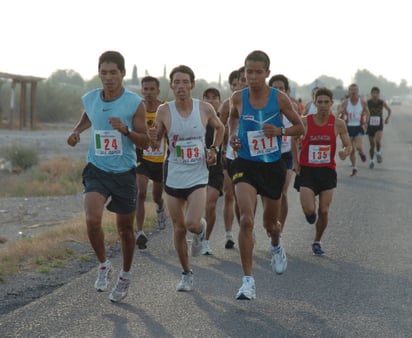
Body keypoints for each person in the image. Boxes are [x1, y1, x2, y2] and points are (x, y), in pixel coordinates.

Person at [67, 51, 150, 302]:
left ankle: (124, 275)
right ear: (99, 73)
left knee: (125, 229)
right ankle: (103, 265)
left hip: (124, 172)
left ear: (123, 73)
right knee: (92, 219)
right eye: (104, 73)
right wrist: (76, 131)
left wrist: (125, 130)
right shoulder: (90, 98)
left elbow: (145, 142)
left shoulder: (134, 103)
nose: (108, 78)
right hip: (97, 169)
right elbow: (89, 115)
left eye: (113, 72)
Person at [229, 50, 304, 300]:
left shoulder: (279, 99)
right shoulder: (238, 98)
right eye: (248, 71)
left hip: (272, 166)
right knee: (246, 220)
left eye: (258, 72)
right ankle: (248, 282)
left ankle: (275, 244)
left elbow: (299, 127)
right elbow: (232, 120)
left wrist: (280, 131)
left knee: (269, 224)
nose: (252, 76)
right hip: (246, 164)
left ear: (267, 73)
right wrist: (234, 137)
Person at [149, 65, 224, 292]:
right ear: (171, 86)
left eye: (185, 82)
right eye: (176, 83)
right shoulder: (164, 111)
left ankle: (201, 232)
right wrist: (153, 137)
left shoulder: (205, 108)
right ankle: (186, 273)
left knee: (192, 223)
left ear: (192, 84)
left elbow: (220, 128)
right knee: (179, 227)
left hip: (198, 173)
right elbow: (155, 142)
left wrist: (214, 149)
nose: (181, 86)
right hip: (173, 173)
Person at [293, 87, 351, 256]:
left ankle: (317, 241)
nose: (324, 105)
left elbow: (348, 144)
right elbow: (292, 139)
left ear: (332, 103)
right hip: (308, 171)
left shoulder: (338, 123)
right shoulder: (304, 121)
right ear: (314, 103)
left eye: (327, 102)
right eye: (320, 102)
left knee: (324, 210)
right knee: (310, 211)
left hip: (327, 170)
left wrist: (345, 151)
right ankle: (310, 214)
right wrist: (295, 162)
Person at [135, 76, 168, 250]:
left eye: (151, 89)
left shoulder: (165, 108)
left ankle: (161, 207)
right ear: (141, 91)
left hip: (160, 160)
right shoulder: (137, 108)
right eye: (145, 89)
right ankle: (140, 232)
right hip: (142, 158)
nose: (148, 93)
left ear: (158, 91)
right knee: (140, 193)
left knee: (156, 196)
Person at [268, 74, 298, 234]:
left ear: (287, 90)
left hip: (285, 155)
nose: (278, 91)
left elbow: (298, 129)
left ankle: (280, 229)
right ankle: (270, 223)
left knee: (283, 192)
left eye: (281, 88)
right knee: (270, 195)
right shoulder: (263, 106)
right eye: (275, 88)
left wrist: (282, 131)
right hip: (267, 155)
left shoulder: (291, 107)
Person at [218, 68, 244, 250]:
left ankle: (245, 226)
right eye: (234, 84)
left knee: (244, 198)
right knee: (230, 194)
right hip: (230, 155)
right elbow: (220, 129)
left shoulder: (256, 103)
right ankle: (228, 233)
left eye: (241, 82)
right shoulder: (227, 105)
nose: (238, 87)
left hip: (251, 156)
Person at [201, 87, 224, 255]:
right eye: (207, 98)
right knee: (196, 209)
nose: (210, 100)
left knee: (210, 205)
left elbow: (232, 144)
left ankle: (206, 241)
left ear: (219, 102)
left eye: (214, 97)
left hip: (216, 168)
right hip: (195, 168)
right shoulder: (197, 121)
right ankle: (199, 230)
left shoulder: (223, 123)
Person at [338, 83, 369, 176]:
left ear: (358, 91)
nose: (353, 92)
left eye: (355, 90)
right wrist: (341, 114)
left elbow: (368, 113)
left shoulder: (362, 102)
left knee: (359, 146)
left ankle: (362, 153)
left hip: (358, 126)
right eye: (351, 90)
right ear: (349, 91)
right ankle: (354, 167)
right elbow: (340, 113)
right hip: (348, 128)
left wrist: (365, 122)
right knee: (351, 150)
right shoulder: (345, 102)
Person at [366, 86, 392, 169]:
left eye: (376, 93)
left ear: (378, 94)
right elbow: (363, 110)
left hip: (379, 124)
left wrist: (387, 119)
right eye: (373, 93)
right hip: (370, 124)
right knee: (371, 145)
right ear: (371, 94)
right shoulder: (368, 102)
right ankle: (372, 160)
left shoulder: (381, 102)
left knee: (377, 141)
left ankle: (378, 152)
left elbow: (389, 110)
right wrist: (364, 120)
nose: (374, 95)